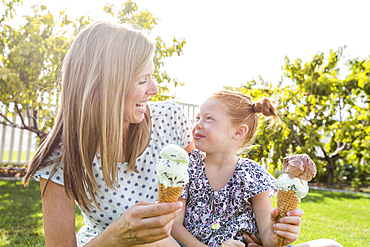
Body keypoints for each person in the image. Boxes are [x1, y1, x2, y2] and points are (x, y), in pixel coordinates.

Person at [22, 21, 194, 247]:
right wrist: (117, 236)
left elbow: (207, 181)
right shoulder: (61, 157)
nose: (154, 90)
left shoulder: (170, 119)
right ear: (105, 88)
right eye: (143, 80)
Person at [171, 90, 343, 247]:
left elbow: (267, 233)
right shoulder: (187, 167)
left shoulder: (252, 174)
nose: (198, 124)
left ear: (238, 132)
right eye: (197, 118)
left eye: (209, 118)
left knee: (331, 245)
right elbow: (174, 225)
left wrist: (277, 237)